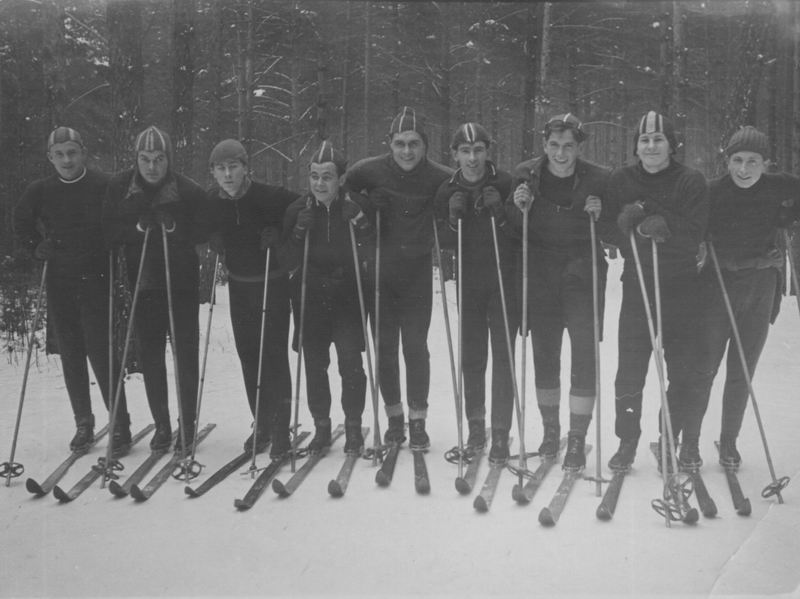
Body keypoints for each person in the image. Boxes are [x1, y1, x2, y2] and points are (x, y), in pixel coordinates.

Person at [678, 126, 800, 469]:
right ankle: (690, 442)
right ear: (727, 160)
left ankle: (729, 441)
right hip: (717, 288)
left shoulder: (780, 185)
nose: (743, 169)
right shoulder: (712, 191)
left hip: (760, 290)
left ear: (766, 163)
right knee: (704, 369)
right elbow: (686, 222)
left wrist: (789, 215)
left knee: (742, 370)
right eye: (737, 160)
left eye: (752, 161)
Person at [15, 127, 131, 456]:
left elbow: (124, 218)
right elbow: (20, 221)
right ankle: (83, 422)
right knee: (71, 353)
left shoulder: (103, 184)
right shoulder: (41, 190)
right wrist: (36, 247)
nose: (67, 160)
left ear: (83, 153)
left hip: (96, 278)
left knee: (102, 352)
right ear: (50, 157)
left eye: (72, 153)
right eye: (60, 154)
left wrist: (115, 241)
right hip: (60, 279)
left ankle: (120, 423)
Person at [604, 110, 709, 470]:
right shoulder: (621, 179)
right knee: (630, 369)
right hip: (638, 284)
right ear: (636, 146)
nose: (651, 146)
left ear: (671, 144)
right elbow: (608, 229)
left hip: (681, 285)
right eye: (644, 140)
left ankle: (669, 437)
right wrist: (629, 227)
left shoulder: (690, 180)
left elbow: (695, 233)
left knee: (681, 369)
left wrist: (657, 216)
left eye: (658, 139)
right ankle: (627, 441)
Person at [344, 107, 452, 449]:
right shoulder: (368, 170)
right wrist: (363, 203)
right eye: (400, 143)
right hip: (381, 270)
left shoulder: (439, 175)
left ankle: (418, 421)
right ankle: (394, 419)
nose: (407, 151)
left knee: (416, 348)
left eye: (414, 143)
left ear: (425, 145)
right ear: (389, 143)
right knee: (386, 348)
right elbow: (342, 189)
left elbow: (463, 185)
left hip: (417, 271)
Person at [509, 113, 610, 470]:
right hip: (541, 274)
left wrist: (602, 212)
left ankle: (577, 436)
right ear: (544, 144)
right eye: (554, 145)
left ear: (579, 147)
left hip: (582, 273)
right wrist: (517, 205)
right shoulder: (526, 174)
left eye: (568, 146)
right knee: (545, 354)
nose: (561, 153)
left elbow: (613, 229)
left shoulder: (599, 177)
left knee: (583, 354)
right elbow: (511, 225)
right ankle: (551, 431)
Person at [102, 125, 206, 452]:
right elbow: (107, 230)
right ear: (136, 159)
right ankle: (162, 424)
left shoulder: (187, 189)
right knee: (151, 356)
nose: (151, 166)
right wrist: (136, 227)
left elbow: (204, 228)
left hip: (181, 284)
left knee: (185, 354)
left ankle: (187, 423)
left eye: (159, 159)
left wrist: (175, 227)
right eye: (145, 159)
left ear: (168, 160)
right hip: (143, 284)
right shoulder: (120, 187)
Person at [202, 139, 298, 458]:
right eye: (221, 169)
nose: (228, 174)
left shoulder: (270, 196)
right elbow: (194, 223)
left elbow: (303, 207)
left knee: (274, 355)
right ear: (213, 172)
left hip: (272, 283)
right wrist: (210, 236)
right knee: (249, 355)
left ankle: (281, 428)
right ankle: (262, 422)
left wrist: (282, 233)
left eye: (234, 167)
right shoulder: (211, 202)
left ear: (246, 168)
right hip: (240, 286)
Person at [282, 141, 373, 455]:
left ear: (342, 179)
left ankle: (353, 426)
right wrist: (297, 232)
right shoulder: (298, 209)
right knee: (315, 365)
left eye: (327, 177)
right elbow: (285, 260)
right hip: (310, 297)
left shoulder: (357, 205)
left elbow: (375, 248)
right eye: (314, 176)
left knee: (351, 364)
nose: (319, 184)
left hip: (348, 297)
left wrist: (361, 222)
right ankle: (321, 426)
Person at [433, 122, 516, 464]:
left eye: (478, 150)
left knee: (504, 357)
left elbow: (521, 233)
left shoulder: (506, 182)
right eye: (465, 151)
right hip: (469, 281)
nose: (472, 158)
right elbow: (441, 242)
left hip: (504, 280)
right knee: (472, 357)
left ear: (487, 152)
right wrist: (453, 220)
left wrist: (501, 212)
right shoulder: (447, 189)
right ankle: (476, 426)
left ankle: (501, 430)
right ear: (454, 154)